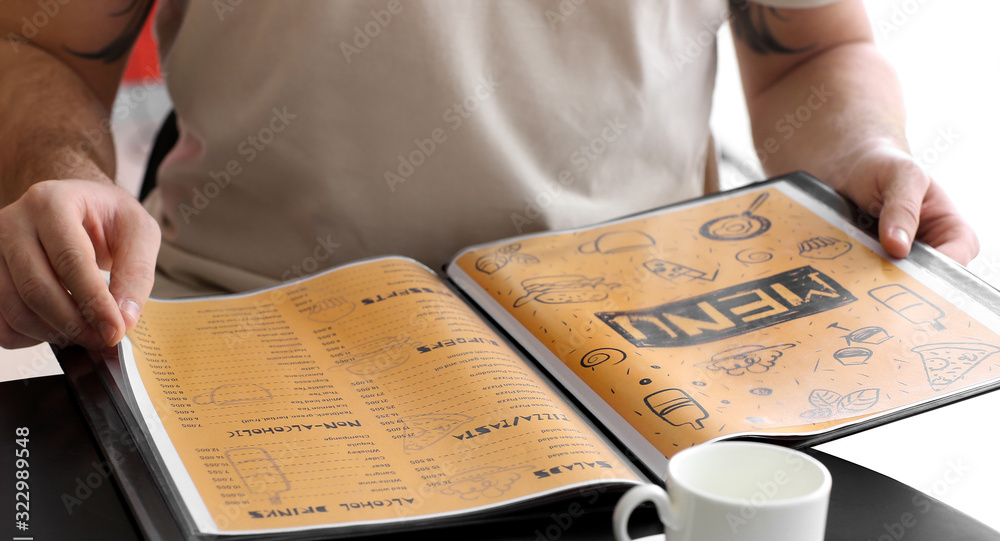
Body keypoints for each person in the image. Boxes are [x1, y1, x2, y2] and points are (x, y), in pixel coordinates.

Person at [0, 0, 979, 352]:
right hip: (237, 332)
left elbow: (809, 52)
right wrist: (59, 175)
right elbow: (43, 49)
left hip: (638, 356)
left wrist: (862, 156)